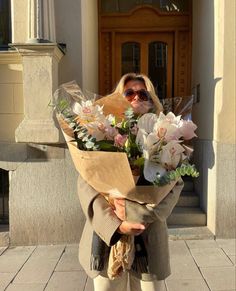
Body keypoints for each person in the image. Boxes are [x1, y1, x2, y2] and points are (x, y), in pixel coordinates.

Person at [77, 73, 184, 291]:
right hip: (106, 238)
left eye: (142, 93)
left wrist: (134, 216)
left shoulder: (165, 138)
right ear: (119, 97)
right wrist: (117, 225)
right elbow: (86, 185)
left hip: (148, 237)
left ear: (150, 99)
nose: (136, 97)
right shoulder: (100, 133)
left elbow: (174, 186)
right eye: (129, 93)